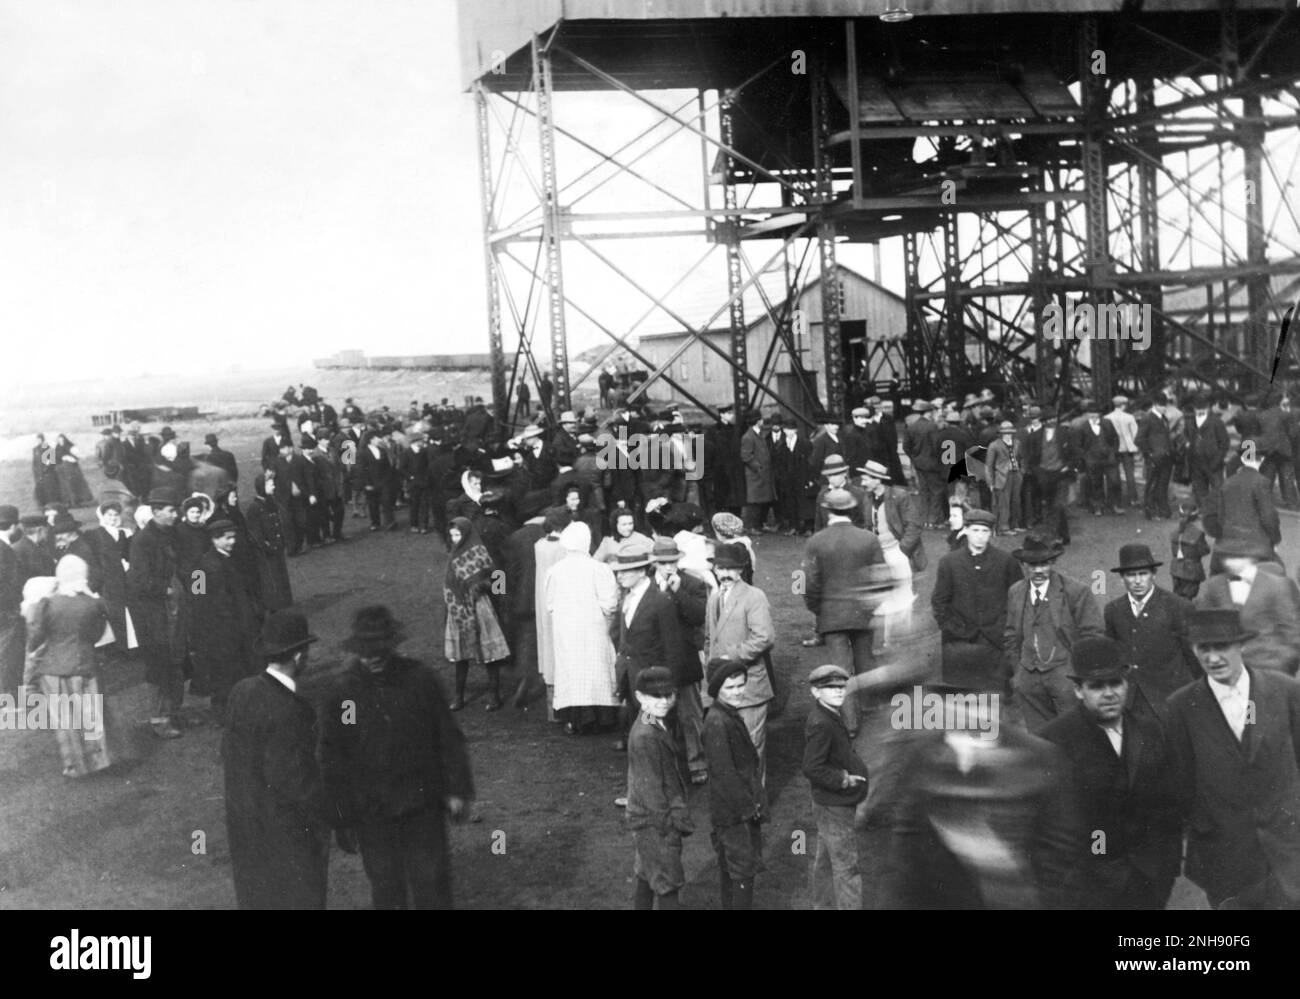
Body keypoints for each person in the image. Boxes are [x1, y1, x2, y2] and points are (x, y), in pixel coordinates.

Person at [320, 606, 474, 909]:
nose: (373, 657)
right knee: (386, 885)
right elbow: (332, 756)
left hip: (421, 804)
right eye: (366, 651)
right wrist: (341, 818)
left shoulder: (420, 681)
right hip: (372, 812)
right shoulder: (343, 693)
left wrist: (458, 789)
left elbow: (447, 736)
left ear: (392, 645)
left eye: (380, 649)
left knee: (432, 882)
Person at [1165, 608, 1300, 908]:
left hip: (1289, 852)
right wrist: (1209, 829)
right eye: (1204, 649)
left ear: (1241, 645)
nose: (1213, 658)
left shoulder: (1285, 691)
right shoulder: (1181, 707)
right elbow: (1181, 782)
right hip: (1226, 859)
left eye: (1221, 647)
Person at [1039, 637, 1182, 909]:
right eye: (1096, 686)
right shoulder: (1053, 741)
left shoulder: (1150, 730)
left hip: (1148, 881)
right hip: (1088, 889)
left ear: (1126, 683)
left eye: (1116, 683)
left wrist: (1166, 869)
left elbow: (1169, 805)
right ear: (1079, 690)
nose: (1109, 693)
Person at [222, 610, 335, 909]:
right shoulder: (288, 710)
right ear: (299, 656)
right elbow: (294, 782)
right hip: (287, 837)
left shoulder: (242, 691)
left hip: (248, 831)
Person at [1004, 529, 1105, 732]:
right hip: (1028, 680)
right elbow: (1011, 635)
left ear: (1052, 563)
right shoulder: (1016, 591)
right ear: (1024, 565)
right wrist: (1019, 673)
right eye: (1033, 565)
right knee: (1040, 740)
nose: (1039, 570)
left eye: (1044, 564)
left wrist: (1078, 676)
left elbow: (1093, 636)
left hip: (1065, 679)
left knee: (1075, 735)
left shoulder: (1075, 592)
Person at [24, 554, 112, 778]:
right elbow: (96, 634)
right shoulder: (94, 603)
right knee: (91, 713)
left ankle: (74, 765)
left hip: (53, 668)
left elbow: (35, 637)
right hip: (85, 663)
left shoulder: (47, 604)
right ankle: (99, 760)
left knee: (64, 719)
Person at [1103, 543, 1199, 724]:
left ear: (1153, 574)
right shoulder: (1113, 610)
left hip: (1169, 699)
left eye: (1143, 573)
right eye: (1131, 575)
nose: (1138, 581)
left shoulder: (1177, 607)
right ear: (1122, 577)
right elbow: (1113, 656)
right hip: (1131, 702)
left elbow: (1194, 658)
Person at [704, 542, 775, 781]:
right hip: (723, 689)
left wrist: (730, 657)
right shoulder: (714, 597)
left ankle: (756, 807)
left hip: (750, 687)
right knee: (729, 750)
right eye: (719, 568)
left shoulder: (754, 596)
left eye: (730, 569)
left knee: (752, 750)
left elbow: (764, 638)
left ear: (741, 570)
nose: (724, 574)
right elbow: (709, 638)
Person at [930, 508, 1021, 693]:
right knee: (962, 698)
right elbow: (940, 602)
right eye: (976, 531)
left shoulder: (1006, 561)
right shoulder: (949, 562)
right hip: (961, 640)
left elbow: (1018, 598)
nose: (980, 536)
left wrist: (1004, 627)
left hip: (995, 641)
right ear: (966, 531)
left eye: (985, 531)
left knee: (995, 697)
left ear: (991, 533)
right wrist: (953, 627)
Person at [625, 666, 693, 910]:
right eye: (656, 696)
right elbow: (651, 789)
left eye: (669, 695)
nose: (664, 701)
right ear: (640, 697)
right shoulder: (645, 735)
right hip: (655, 822)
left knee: (646, 875)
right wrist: (667, 826)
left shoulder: (652, 721)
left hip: (645, 817)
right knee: (667, 883)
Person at [802, 664, 869, 910]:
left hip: (827, 804)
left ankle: (823, 906)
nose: (839, 692)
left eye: (841, 687)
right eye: (830, 688)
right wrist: (844, 779)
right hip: (835, 806)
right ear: (815, 692)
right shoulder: (822, 722)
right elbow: (811, 767)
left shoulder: (828, 713)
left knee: (826, 862)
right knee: (847, 869)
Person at [703, 656, 767, 910]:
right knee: (742, 870)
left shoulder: (727, 714)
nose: (738, 692)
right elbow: (725, 773)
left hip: (734, 808)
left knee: (732, 868)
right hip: (733, 812)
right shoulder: (718, 721)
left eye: (741, 685)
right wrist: (748, 809)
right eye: (730, 688)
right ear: (717, 689)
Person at [802, 488, 886, 676]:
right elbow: (882, 578)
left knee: (840, 673)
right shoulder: (870, 539)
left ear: (827, 511)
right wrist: (872, 606)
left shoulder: (815, 541)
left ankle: (847, 705)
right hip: (863, 615)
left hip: (831, 616)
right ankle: (869, 705)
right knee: (867, 670)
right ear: (851, 510)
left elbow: (803, 581)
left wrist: (817, 608)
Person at [547, 520, 620, 735]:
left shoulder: (555, 570)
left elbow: (550, 603)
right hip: (594, 627)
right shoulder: (600, 569)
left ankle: (576, 719)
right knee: (596, 668)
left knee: (572, 670)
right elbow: (610, 603)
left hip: (566, 628)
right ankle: (603, 718)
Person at [126, 487, 186, 739]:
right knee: (161, 664)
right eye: (172, 511)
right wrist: (168, 589)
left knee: (178, 662)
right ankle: (159, 719)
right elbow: (138, 582)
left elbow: (188, 566)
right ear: (157, 511)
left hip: (174, 612)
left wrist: (197, 590)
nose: (176, 515)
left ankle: (173, 712)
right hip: (155, 616)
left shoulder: (171, 533)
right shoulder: (143, 541)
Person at [611, 539, 683, 747]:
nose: (620, 575)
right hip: (630, 676)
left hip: (653, 681)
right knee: (638, 726)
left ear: (642, 571)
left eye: (626, 571)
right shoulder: (627, 598)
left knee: (654, 731)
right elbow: (620, 632)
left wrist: (668, 687)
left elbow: (673, 648)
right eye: (619, 571)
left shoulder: (660, 601)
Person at [1196, 535, 1300, 675]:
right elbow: (1202, 626)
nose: (1231, 563)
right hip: (1228, 669)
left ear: (1251, 557)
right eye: (1227, 558)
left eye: (1238, 557)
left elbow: (1291, 631)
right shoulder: (1213, 587)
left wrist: (1283, 664)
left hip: (1269, 666)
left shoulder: (1277, 585)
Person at [651, 538, 709, 784]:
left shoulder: (692, 584)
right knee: (657, 716)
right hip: (656, 660)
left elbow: (698, 616)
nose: (668, 568)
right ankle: (663, 767)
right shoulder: (645, 586)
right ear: (655, 563)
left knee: (690, 716)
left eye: (672, 562)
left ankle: (697, 764)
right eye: (663, 563)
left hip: (684, 661)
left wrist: (678, 592)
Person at [190, 519, 259, 718]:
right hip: (220, 629)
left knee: (240, 668)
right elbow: (197, 600)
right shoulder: (201, 566)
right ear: (215, 540)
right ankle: (222, 712)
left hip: (240, 625)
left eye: (234, 537)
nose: (232, 542)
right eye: (228, 538)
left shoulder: (232, 558)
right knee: (223, 672)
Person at [444, 517, 510, 711]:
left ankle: (494, 695)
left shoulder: (480, 553)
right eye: (452, 536)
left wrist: (483, 587)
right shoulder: (453, 555)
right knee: (460, 656)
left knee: (490, 654)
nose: (455, 539)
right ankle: (459, 696)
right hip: (458, 608)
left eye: (458, 535)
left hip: (481, 606)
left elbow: (498, 581)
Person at [1203, 441, 1282, 570]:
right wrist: (1275, 539)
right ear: (1261, 459)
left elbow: (1219, 519)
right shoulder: (1261, 482)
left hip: (1225, 548)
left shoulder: (1227, 484)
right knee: (1277, 575)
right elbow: (1268, 517)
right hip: (1255, 549)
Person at [243, 471, 293, 614]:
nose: (274, 487)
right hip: (266, 553)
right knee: (271, 581)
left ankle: (282, 606)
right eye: (270, 484)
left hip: (276, 549)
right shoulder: (255, 508)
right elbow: (255, 533)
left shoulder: (270, 502)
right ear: (261, 487)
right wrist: (268, 546)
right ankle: (274, 608)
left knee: (280, 578)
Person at [1184, 391, 1230, 510]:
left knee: (1218, 490)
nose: (1199, 411)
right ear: (1194, 408)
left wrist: (1217, 460)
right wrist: (1187, 443)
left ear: (1208, 407)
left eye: (1202, 408)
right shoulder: (1190, 422)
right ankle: (1204, 513)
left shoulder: (1216, 422)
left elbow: (1224, 443)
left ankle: (1219, 513)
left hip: (1213, 462)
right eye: (1197, 408)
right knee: (1199, 490)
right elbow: (1185, 436)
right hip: (1196, 462)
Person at [903, 400, 945, 527]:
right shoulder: (932, 427)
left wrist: (914, 457)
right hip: (932, 464)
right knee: (936, 492)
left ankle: (925, 519)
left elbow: (906, 446)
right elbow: (937, 446)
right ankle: (934, 520)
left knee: (924, 492)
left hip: (919, 464)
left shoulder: (912, 427)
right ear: (929, 412)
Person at [0, 507, 28, 699]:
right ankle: (8, 696)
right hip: (7, 612)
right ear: (13, 526)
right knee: (8, 654)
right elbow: (9, 584)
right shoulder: (5, 550)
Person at [1136, 396, 1174, 519]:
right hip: (1154, 458)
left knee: (1163, 484)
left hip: (1166, 457)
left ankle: (1163, 510)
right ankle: (1150, 511)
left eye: (1165, 406)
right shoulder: (1148, 419)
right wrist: (1149, 454)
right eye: (1162, 406)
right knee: (1151, 485)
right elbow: (1139, 439)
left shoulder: (1163, 418)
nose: (1164, 408)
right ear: (1155, 405)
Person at [986, 420, 1026, 535]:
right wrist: (991, 483)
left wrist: (1022, 471)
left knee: (1016, 500)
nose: (1008, 435)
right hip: (1002, 476)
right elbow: (989, 466)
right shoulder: (994, 445)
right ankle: (1004, 527)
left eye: (1010, 432)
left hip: (1016, 474)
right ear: (1001, 433)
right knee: (1004, 503)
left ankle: (1015, 524)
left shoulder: (1017, 443)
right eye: (1005, 432)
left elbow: (1022, 458)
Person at [739, 409, 775, 533]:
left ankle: (760, 524)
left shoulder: (757, 434)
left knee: (763, 501)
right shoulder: (748, 437)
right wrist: (758, 467)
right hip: (756, 475)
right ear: (757, 421)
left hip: (761, 474)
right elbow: (746, 456)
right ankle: (752, 526)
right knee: (754, 503)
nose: (763, 421)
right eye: (761, 419)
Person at [1169, 499, 1211, 600]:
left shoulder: (1174, 531)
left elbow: (1173, 550)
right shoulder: (1198, 533)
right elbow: (1204, 551)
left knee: (1177, 595)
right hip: (1192, 570)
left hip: (1176, 567)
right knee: (1188, 597)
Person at [1106, 396, 1141, 507]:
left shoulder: (1107, 417)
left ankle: (1116, 499)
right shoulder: (1129, 417)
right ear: (1124, 405)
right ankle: (1133, 499)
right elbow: (1135, 433)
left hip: (1114, 449)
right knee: (1129, 474)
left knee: (1113, 474)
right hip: (1127, 448)